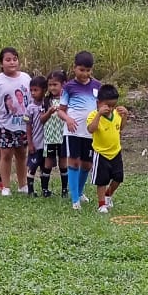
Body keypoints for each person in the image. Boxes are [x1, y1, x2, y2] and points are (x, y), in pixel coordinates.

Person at [0, 47, 32, 196]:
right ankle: (5, 186)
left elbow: (31, 101)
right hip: (4, 126)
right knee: (5, 154)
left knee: (22, 154)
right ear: (1, 63)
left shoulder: (26, 78)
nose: (12, 62)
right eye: (8, 60)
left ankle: (23, 185)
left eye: (15, 59)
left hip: (23, 125)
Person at [58, 50, 101, 210]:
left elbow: (101, 107)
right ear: (74, 68)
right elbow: (61, 110)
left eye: (88, 70)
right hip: (73, 131)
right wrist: (68, 119)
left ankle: (80, 191)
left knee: (87, 165)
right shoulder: (68, 87)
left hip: (90, 131)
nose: (85, 74)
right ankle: (75, 199)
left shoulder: (97, 86)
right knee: (74, 162)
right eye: (81, 70)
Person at [87, 84, 129, 213]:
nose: (110, 109)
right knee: (102, 180)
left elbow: (120, 127)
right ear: (98, 103)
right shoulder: (93, 115)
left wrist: (125, 116)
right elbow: (91, 129)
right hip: (101, 153)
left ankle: (108, 194)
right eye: (107, 105)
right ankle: (101, 204)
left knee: (118, 177)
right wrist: (99, 115)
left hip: (116, 152)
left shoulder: (116, 114)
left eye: (113, 106)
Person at [42, 69, 68, 198]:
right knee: (48, 163)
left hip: (63, 136)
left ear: (63, 84)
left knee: (63, 163)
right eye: (50, 85)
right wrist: (49, 112)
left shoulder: (66, 100)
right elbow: (41, 119)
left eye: (55, 84)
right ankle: (45, 189)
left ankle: (65, 190)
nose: (52, 87)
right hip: (50, 137)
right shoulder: (46, 101)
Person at [26, 74, 48, 196]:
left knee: (45, 167)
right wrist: (30, 143)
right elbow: (28, 126)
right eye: (31, 90)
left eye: (36, 90)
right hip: (36, 143)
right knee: (33, 166)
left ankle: (45, 189)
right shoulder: (30, 107)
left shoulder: (48, 104)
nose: (33, 93)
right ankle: (30, 190)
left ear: (44, 90)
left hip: (47, 143)